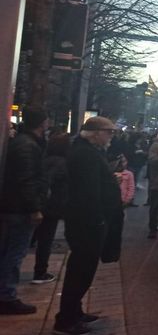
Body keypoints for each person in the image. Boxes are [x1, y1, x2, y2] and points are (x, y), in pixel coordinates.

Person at [54, 117, 123, 334]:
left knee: (83, 270)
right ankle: (66, 319)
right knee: (81, 271)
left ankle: (75, 311)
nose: (111, 136)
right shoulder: (85, 154)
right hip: (87, 223)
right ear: (95, 133)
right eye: (108, 132)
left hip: (87, 221)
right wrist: (98, 220)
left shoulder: (87, 152)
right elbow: (88, 192)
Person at [0, 108, 49, 315]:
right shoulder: (28, 146)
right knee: (15, 252)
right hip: (19, 208)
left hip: (14, 206)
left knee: (10, 250)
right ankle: (6, 296)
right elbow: (27, 179)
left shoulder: (21, 142)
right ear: (42, 123)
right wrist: (35, 208)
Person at [31, 132, 70, 285]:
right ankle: (40, 272)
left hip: (43, 206)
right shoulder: (61, 163)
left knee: (36, 237)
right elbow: (47, 184)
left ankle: (39, 271)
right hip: (50, 207)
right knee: (45, 240)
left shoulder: (45, 159)